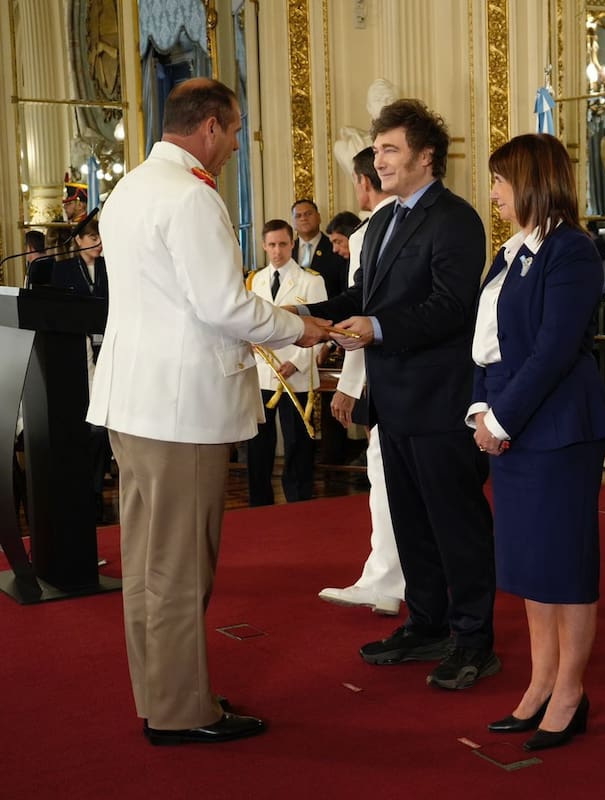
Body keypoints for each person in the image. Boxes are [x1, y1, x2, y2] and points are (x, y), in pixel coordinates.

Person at [86, 77, 328, 745]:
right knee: (180, 563)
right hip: (179, 407)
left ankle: (164, 692)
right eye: (236, 130)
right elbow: (222, 304)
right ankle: (182, 711)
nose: (236, 145)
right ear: (211, 126)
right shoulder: (190, 195)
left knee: (149, 560)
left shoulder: (131, 187)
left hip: (133, 399)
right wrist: (298, 326)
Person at [306, 99, 498, 691]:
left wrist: (378, 328)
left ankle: (473, 639)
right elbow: (363, 297)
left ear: (426, 156)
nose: (379, 160)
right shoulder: (384, 221)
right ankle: (427, 624)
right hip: (393, 401)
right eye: (378, 149)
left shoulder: (456, 218)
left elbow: (451, 307)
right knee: (410, 523)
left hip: (440, 401)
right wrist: (304, 314)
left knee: (456, 524)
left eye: (390, 149)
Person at [469, 133, 605, 752]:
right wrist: (481, 408)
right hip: (511, 420)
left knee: (563, 562)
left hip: (557, 428)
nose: (494, 193)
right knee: (530, 562)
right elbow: (487, 346)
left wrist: (500, 420)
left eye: (501, 181)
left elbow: (554, 351)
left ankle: (570, 691)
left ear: (531, 181)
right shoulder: (508, 254)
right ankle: (540, 682)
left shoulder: (571, 249)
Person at [318, 146, 406, 616]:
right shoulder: (397, 223)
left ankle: (385, 579)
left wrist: (349, 385)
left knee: (384, 476)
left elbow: (361, 313)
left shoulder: (368, 232)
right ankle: (392, 576)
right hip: (406, 369)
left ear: (362, 182)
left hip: (382, 370)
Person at [245, 219, 327, 506]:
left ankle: (299, 499)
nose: (277, 251)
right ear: (264, 246)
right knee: (258, 442)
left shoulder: (311, 281)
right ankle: (259, 501)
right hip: (263, 371)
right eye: (271, 245)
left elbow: (321, 329)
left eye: (282, 244)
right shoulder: (255, 280)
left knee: (297, 442)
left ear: (292, 244)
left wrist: (297, 361)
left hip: (296, 373)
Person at [50, 214, 111, 521]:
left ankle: (97, 489)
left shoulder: (110, 267)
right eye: (93, 239)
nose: (99, 245)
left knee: (101, 427)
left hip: (108, 346)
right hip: (77, 349)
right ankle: (79, 489)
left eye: (101, 239)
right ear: (78, 240)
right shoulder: (62, 269)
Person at [292, 198, 348, 298]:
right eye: (298, 216)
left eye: (308, 214)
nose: (303, 218)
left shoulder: (336, 247)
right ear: (293, 222)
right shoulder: (287, 250)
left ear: (319, 217)